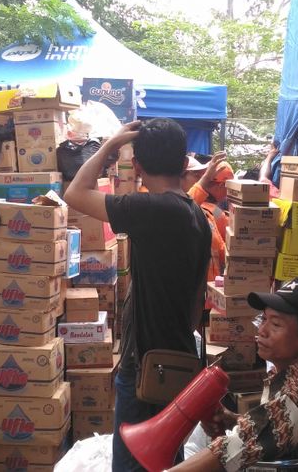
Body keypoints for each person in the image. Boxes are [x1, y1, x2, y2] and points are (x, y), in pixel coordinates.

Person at [64, 118, 212, 471]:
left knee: (134, 462)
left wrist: (108, 145)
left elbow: (75, 193)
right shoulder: (195, 215)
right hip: (176, 359)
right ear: (184, 163)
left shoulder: (153, 210)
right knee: (165, 460)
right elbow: (195, 305)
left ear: (139, 166)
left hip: (148, 366)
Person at [169, 278, 298, 472]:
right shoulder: (297, 369)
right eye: (264, 319)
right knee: (200, 436)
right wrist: (234, 420)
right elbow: (275, 429)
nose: (261, 331)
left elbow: (228, 453)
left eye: (276, 324)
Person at [180, 154, 227, 282]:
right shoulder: (173, 210)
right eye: (196, 175)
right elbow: (183, 209)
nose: (201, 180)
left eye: (202, 175)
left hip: (210, 294)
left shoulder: (209, 213)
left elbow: (222, 249)